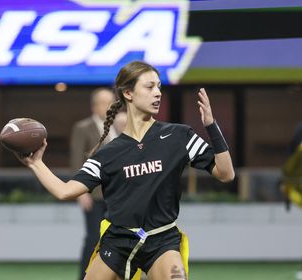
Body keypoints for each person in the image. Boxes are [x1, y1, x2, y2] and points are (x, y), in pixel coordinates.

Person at [13, 61, 234, 280]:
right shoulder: (107, 154)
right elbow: (65, 191)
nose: (157, 93)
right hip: (117, 243)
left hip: (162, 240)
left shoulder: (179, 136)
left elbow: (226, 174)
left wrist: (211, 125)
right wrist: (36, 164)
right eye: (149, 87)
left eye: (158, 86)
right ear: (128, 93)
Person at [70, 88, 119, 280]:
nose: (109, 107)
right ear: (94, 106)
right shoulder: (82, 128)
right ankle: (85, 276)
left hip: (118, 196)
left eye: (112, 102)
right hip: (94, 195)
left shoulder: (120, 127)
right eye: (104, 102)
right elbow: (76, 161)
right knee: (93, 239)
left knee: (121, 239)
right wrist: (81, 193)